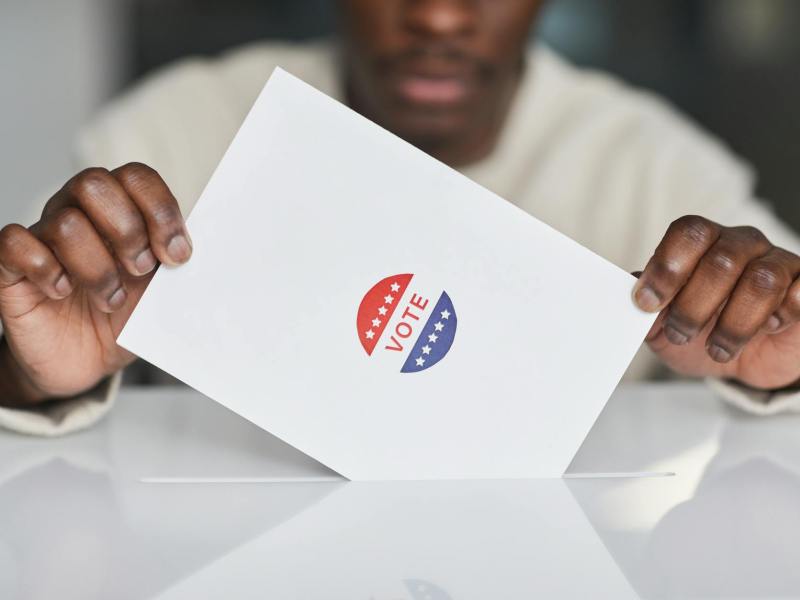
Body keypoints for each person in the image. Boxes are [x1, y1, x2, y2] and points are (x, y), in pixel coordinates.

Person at [1, 0, 800, 435]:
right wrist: (26, 376)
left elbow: (784, 330)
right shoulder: (167, 130)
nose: (440, 18)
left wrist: (779, 360)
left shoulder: (654, 160)